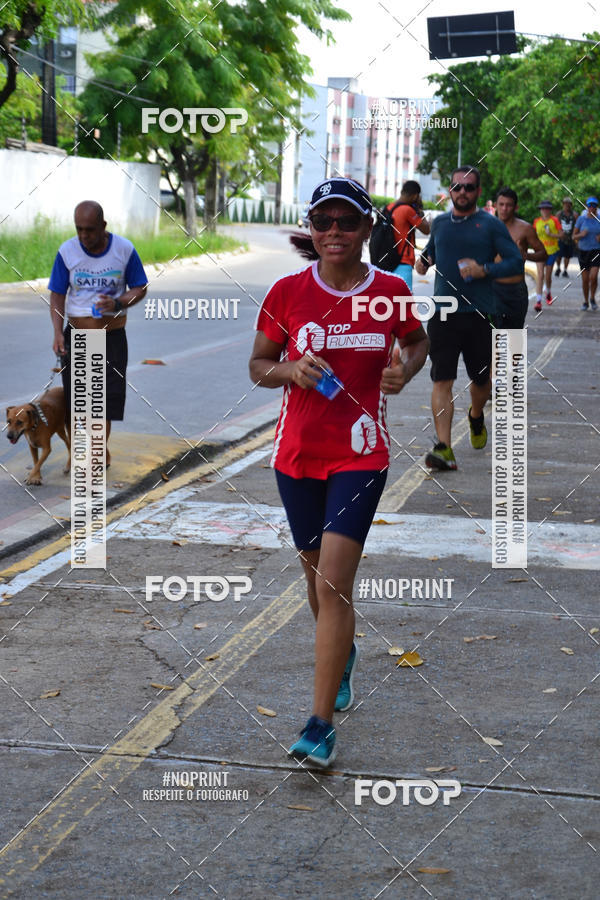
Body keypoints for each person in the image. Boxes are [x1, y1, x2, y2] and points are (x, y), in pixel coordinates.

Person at [249, 177, 428, 767]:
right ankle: (342, 651)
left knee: (332, 585)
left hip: (361, 455)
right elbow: (258, 365)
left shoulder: (390, 292)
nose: (333, 232)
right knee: (316, 583)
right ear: (312, 227)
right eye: (323, 222)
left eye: (346, 222)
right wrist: (290, 370)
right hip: (297, 456)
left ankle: (319, 726)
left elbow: (417, 343)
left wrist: (405, 370)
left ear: (367, 228)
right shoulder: (287, 292)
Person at [414, 165, 523, 471]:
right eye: (457, 187)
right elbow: (432, 252)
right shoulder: (440, 224)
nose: (462, 192)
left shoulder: (490, 225)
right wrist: (423, 263)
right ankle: (444, 448)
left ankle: (476, 415)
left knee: (481, 380)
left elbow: (515, 262)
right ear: (450, 190)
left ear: (478, 191)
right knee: (441, 379)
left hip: (479, 314)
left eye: (469, 187)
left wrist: (484, 269)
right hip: (443, 312)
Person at [49, 201, 148, 464]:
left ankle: (96, 451)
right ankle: (92, 450)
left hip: (111, 338)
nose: (84, 235)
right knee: (80, 402)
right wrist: (57, 332)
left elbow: (140, 287)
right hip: (78, 336)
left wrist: (118, 303)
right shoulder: (67, 251)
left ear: (103, 225)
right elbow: (57, 294)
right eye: (79, 229)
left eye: (90, 229)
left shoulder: (123, 249)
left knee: (105, 403)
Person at [494, 187, 547, 327]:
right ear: (495, 205)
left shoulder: (525, 229)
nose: (504, 209)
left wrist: (525, 255)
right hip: (492, 288)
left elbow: (543, 254)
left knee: (514, 337)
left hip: (515, 290)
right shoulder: (485, 227)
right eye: (501, 204)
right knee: (493, 335)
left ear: (515, 207)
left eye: (509, 205)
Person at [387, 180, 431, 290]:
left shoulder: (388, 208)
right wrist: (420, 210)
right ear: (415, 196)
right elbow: (426, 229)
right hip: (403, 262)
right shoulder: (408, 210)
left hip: (387, 262)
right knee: (404, 300)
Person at [533, 201, 562, 309]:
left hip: (552, 251)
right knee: (540, 275)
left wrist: (551, 234)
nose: (544, 211)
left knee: (548, 276)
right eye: (542, 209)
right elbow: (532, 236)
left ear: (550, 210)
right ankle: (538, 301)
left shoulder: (554, 220)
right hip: (540, 252)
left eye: (547, 208)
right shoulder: (536, 221)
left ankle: (548, 293)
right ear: (540, 210)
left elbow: (562, 235)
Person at [573, 197, 600, 310]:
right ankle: (585, 301)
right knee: (585, 280)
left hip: (596, 251)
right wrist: (581, 235)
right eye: (590, 205)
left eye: (594, 205)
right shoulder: (581, 219)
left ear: (597, 207)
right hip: (583, 252)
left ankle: (592, 298)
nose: (592, 207)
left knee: (593, 277)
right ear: (586, 206)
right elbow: (573, 236)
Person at [555, 197, 577, 278]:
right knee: (559, 255)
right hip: (560, 238)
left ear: (571, 205)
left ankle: (565, 270)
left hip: (570, 238)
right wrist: (558, 234)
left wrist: (575, 237)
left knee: (567, 256)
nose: (567, 205)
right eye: (565, 203)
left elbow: (577, 226)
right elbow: (555, 225)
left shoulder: (574, 214)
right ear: (563, 204)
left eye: (569, 204)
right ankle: (558, 267)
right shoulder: (559, 214)